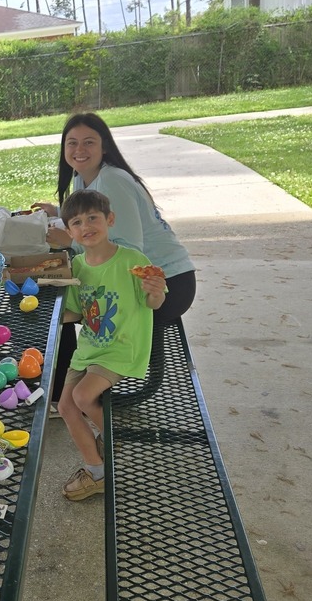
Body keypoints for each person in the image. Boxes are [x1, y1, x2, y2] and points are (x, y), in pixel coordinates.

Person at [32, 112, 196, 403]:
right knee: (62, 295)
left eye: (88, 142)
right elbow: (94, 220)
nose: (79, 150)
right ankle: (67, 386)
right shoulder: (86, 178)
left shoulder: (112, 180)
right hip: (144, 280)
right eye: (72, 143)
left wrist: (71, 240)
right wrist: (60, 215)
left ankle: (65, 394)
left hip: (164, 285)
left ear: (104, 146)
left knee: (65, 302)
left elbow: (129, 251)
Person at [57, 190, 166, 502]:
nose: (86, 225)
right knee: (65, 406)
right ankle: (98, 465)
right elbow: (77, 311)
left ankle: (107, 449)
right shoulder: (77, 266)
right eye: (77, 222)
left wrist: (156, 291)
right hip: (90, 346)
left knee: (81, 396)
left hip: (122, 347)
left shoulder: (133, 260)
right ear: (69, 232)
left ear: (110, 220)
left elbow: (153, 302)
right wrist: (43, 309)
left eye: (93, 217)